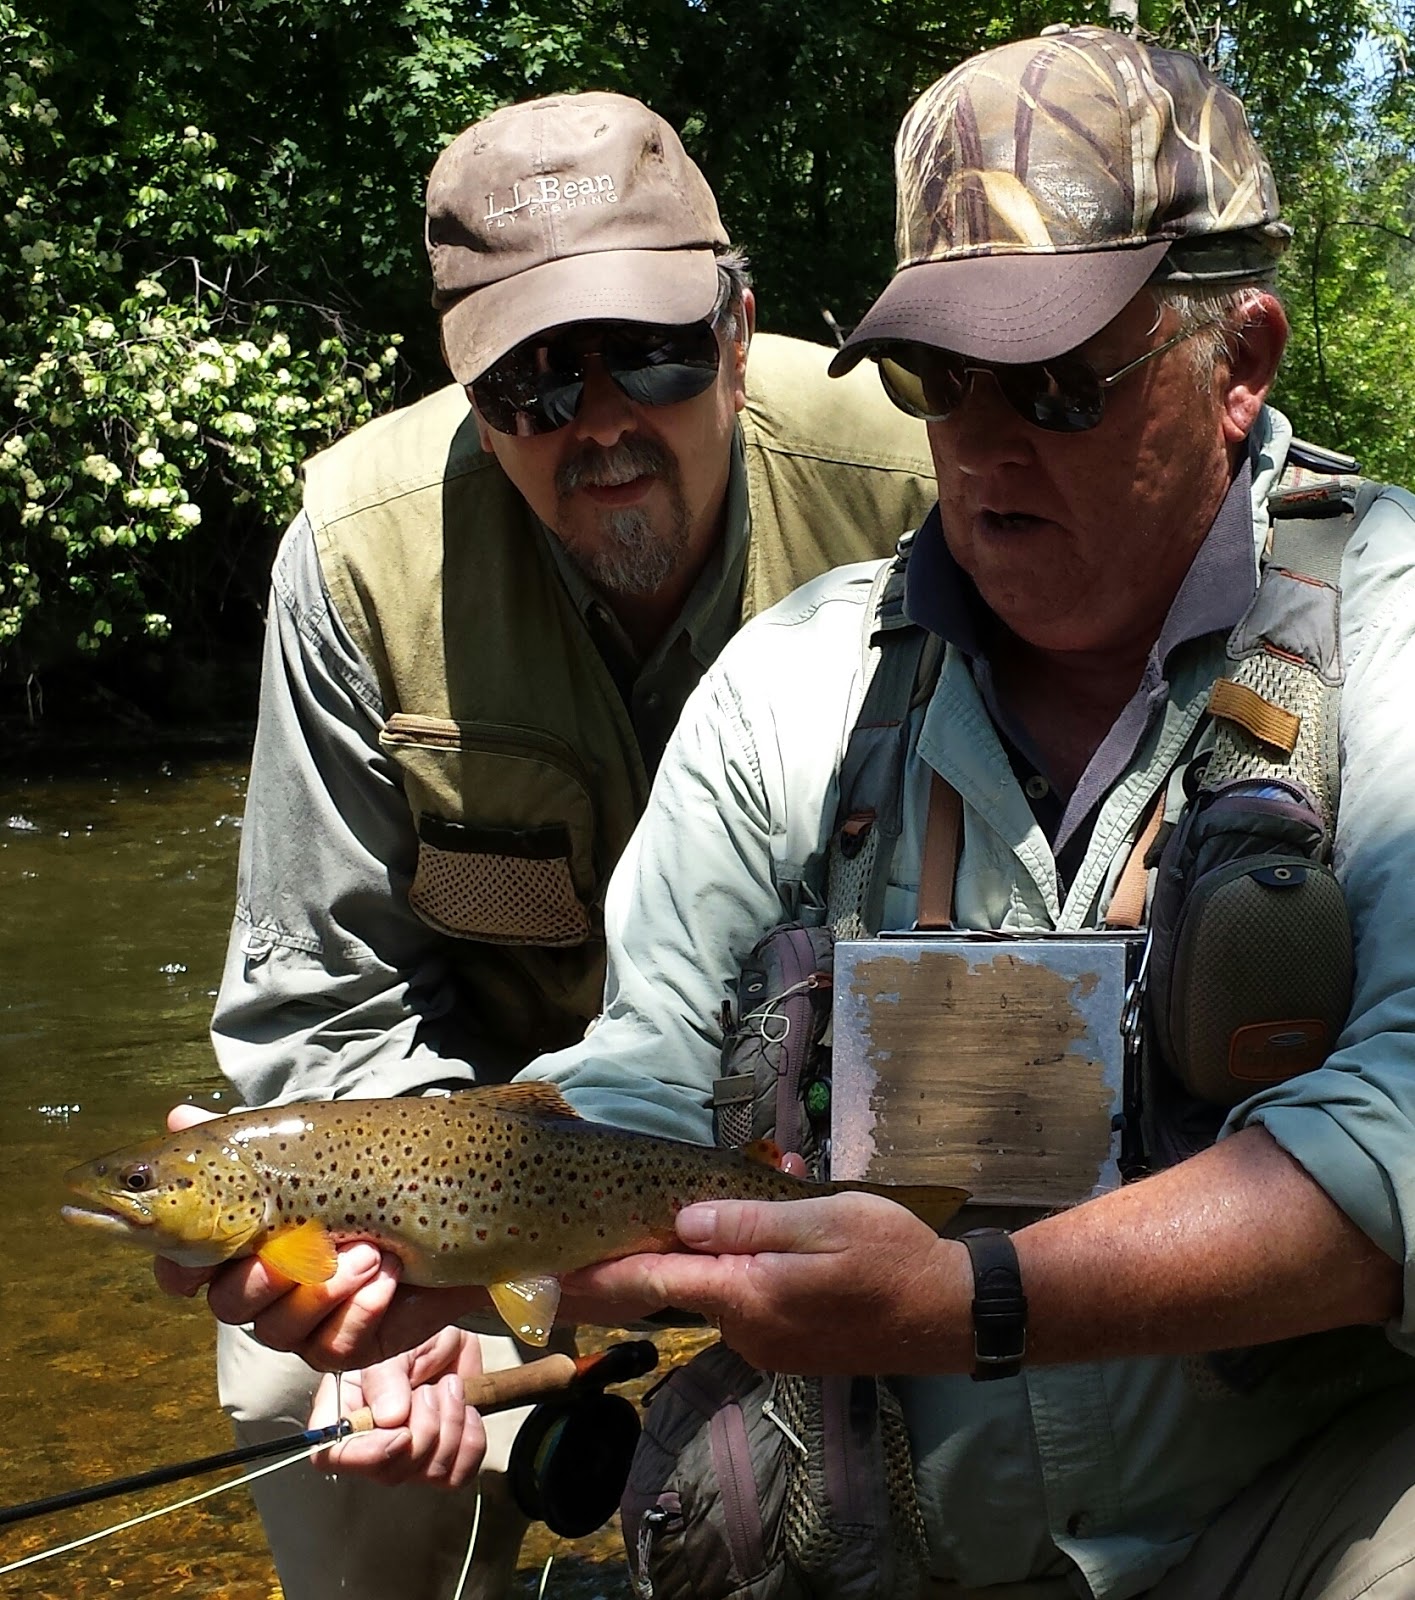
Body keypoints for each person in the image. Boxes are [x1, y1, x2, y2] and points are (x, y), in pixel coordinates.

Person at [178, 24, 1415, 1600]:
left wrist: (980, 1294)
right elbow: (642, 1091)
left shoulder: (1390, 629)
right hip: (902, 1495)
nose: (979, 442)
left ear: (1238, 364)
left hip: (1302, 1496)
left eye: (1059, 381)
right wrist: (404, 1248)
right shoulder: (795, 679)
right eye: (940, 379)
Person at [165, 86, 935, 1600]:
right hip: (484, 1157)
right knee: (291, 1386)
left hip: (836, 1124)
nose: (595, 421)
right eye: (528, 379)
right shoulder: (355, 555)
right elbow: (325, 993)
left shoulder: (921, 483)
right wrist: (419, 1272)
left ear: (734, 328)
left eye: (646, 352)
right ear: (465, 389)